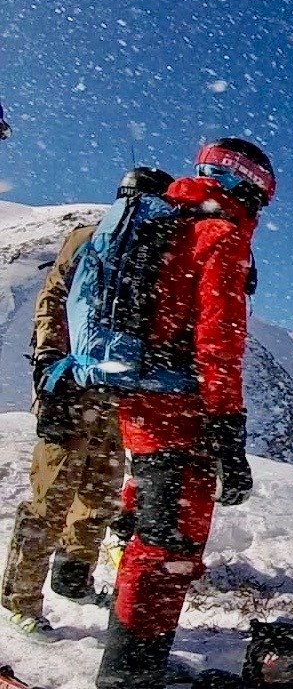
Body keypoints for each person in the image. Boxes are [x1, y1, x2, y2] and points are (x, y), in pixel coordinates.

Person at [95, 138, 273, 689]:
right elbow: (219, 344)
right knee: (169, 544)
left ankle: (134, 662)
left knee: (152, 529)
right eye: (263, 197)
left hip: (143, 399)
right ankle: (130, 675)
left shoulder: (170, 222)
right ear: (247, 185)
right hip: (180, 409)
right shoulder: (219, 236)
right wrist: (228, 429)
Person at [0, 167, 175, 640]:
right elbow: (54, 301)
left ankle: (71, 578)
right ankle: (19, 598)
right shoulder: (100, 242)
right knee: (64, 494)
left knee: (90, 493)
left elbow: (51, 301)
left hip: (87, 386)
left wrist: (49, 365)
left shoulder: (110, 243)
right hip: (87, 386)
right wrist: (49, 367)